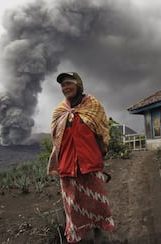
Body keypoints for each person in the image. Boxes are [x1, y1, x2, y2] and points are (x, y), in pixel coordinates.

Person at [47, 72, 115, 243]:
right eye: (62, 85)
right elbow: (56, 141)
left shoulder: (93, 106)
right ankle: (82, 238)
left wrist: (99, 155)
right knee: (74, 209)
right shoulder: (59, 111)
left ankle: (101, 235)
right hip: (68, 169)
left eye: (69, 83)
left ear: (78, 84)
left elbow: (102, 131)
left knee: (98, 205)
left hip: (91, 166)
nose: (65, 87)